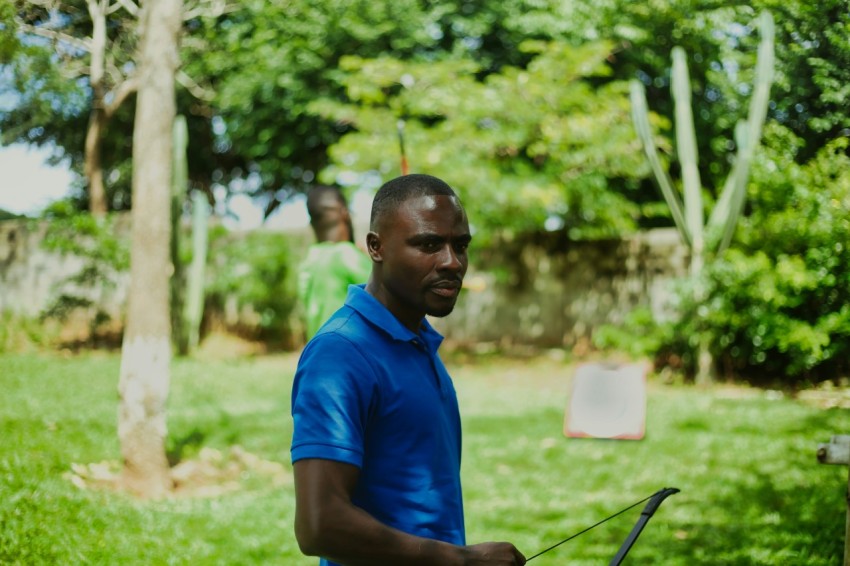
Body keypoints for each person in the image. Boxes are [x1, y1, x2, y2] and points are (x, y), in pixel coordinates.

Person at [290, 174, 526, 565]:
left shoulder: (418, 340)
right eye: (428, 244)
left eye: (460, 245)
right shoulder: (341, 354)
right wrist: (462, 560)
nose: (452, 262)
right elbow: (320, 525)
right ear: (375, 247)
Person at [298, 185, 372, 339]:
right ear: (344, 213)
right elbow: (388, 295)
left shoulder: (310, 260)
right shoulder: (347, 255)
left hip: (321, 352)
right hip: (351, 355)